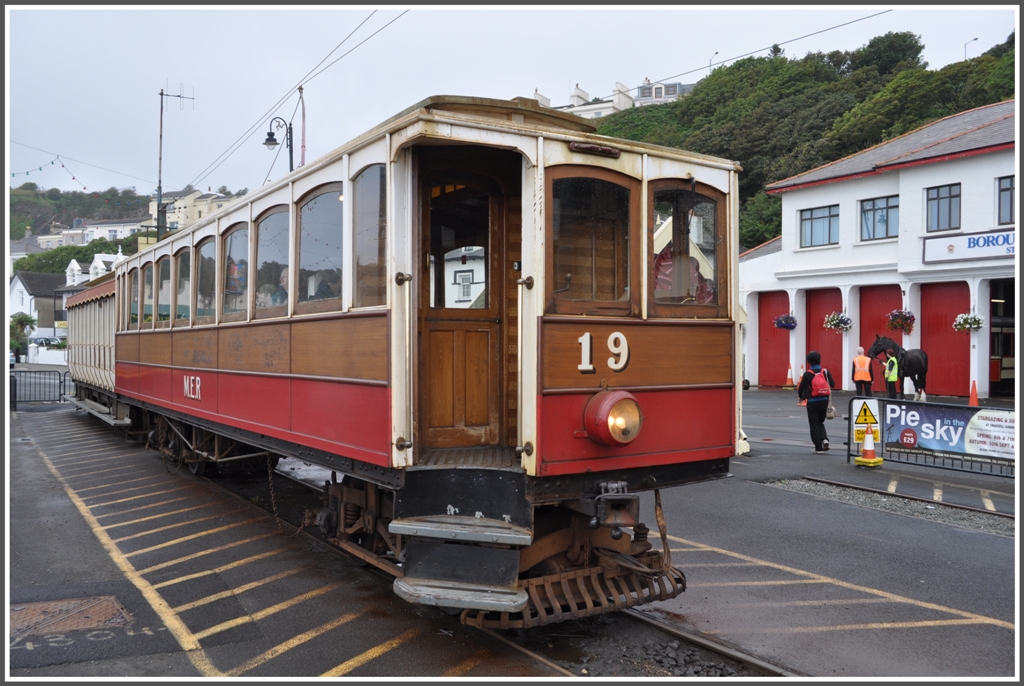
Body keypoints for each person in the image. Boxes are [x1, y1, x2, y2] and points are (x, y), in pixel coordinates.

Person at [797, 350, 835, 454]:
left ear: (808, 361)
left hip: (812, 401)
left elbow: (801, 388)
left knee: (814, 423)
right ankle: (824, 439)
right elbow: (832, 384)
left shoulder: (807, 374)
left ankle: (818, 447)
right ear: (819, 360)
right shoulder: (825, 372)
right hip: (824, 400)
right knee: (820, 422)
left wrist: (801, 397)